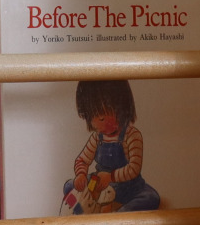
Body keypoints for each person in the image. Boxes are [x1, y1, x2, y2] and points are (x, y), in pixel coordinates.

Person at [61, 80, 159, 214]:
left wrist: (111, 177)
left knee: (151, 197)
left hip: (128, 187)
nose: (96, 124)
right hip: (99, 185)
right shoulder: (97, 137)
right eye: (91, 118)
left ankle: (119, 213)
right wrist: (81, 174)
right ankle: (84, 208)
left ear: (121, 109)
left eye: (101, 118)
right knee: (69, 186)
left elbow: (134, 168)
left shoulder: (132, 135)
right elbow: (82, 160)